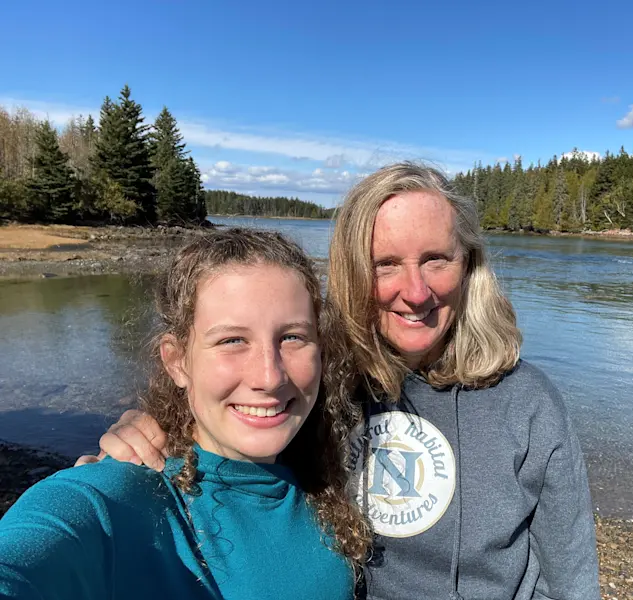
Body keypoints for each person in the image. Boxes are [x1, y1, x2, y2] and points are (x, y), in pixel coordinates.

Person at [82, 163, 601, 600]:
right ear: (352, 272)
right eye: (386, 264)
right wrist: (153, 425)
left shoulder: (529, 404)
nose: (415, 292)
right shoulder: (317, 385)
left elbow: (572, 580)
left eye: (436, 260)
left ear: (468, 266)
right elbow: (233, 433)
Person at [0, 229, 371, 600]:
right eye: (232, 341)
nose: (270, 377)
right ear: (178, 362)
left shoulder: (326, 474)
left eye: (292, 337)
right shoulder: (123, 494)